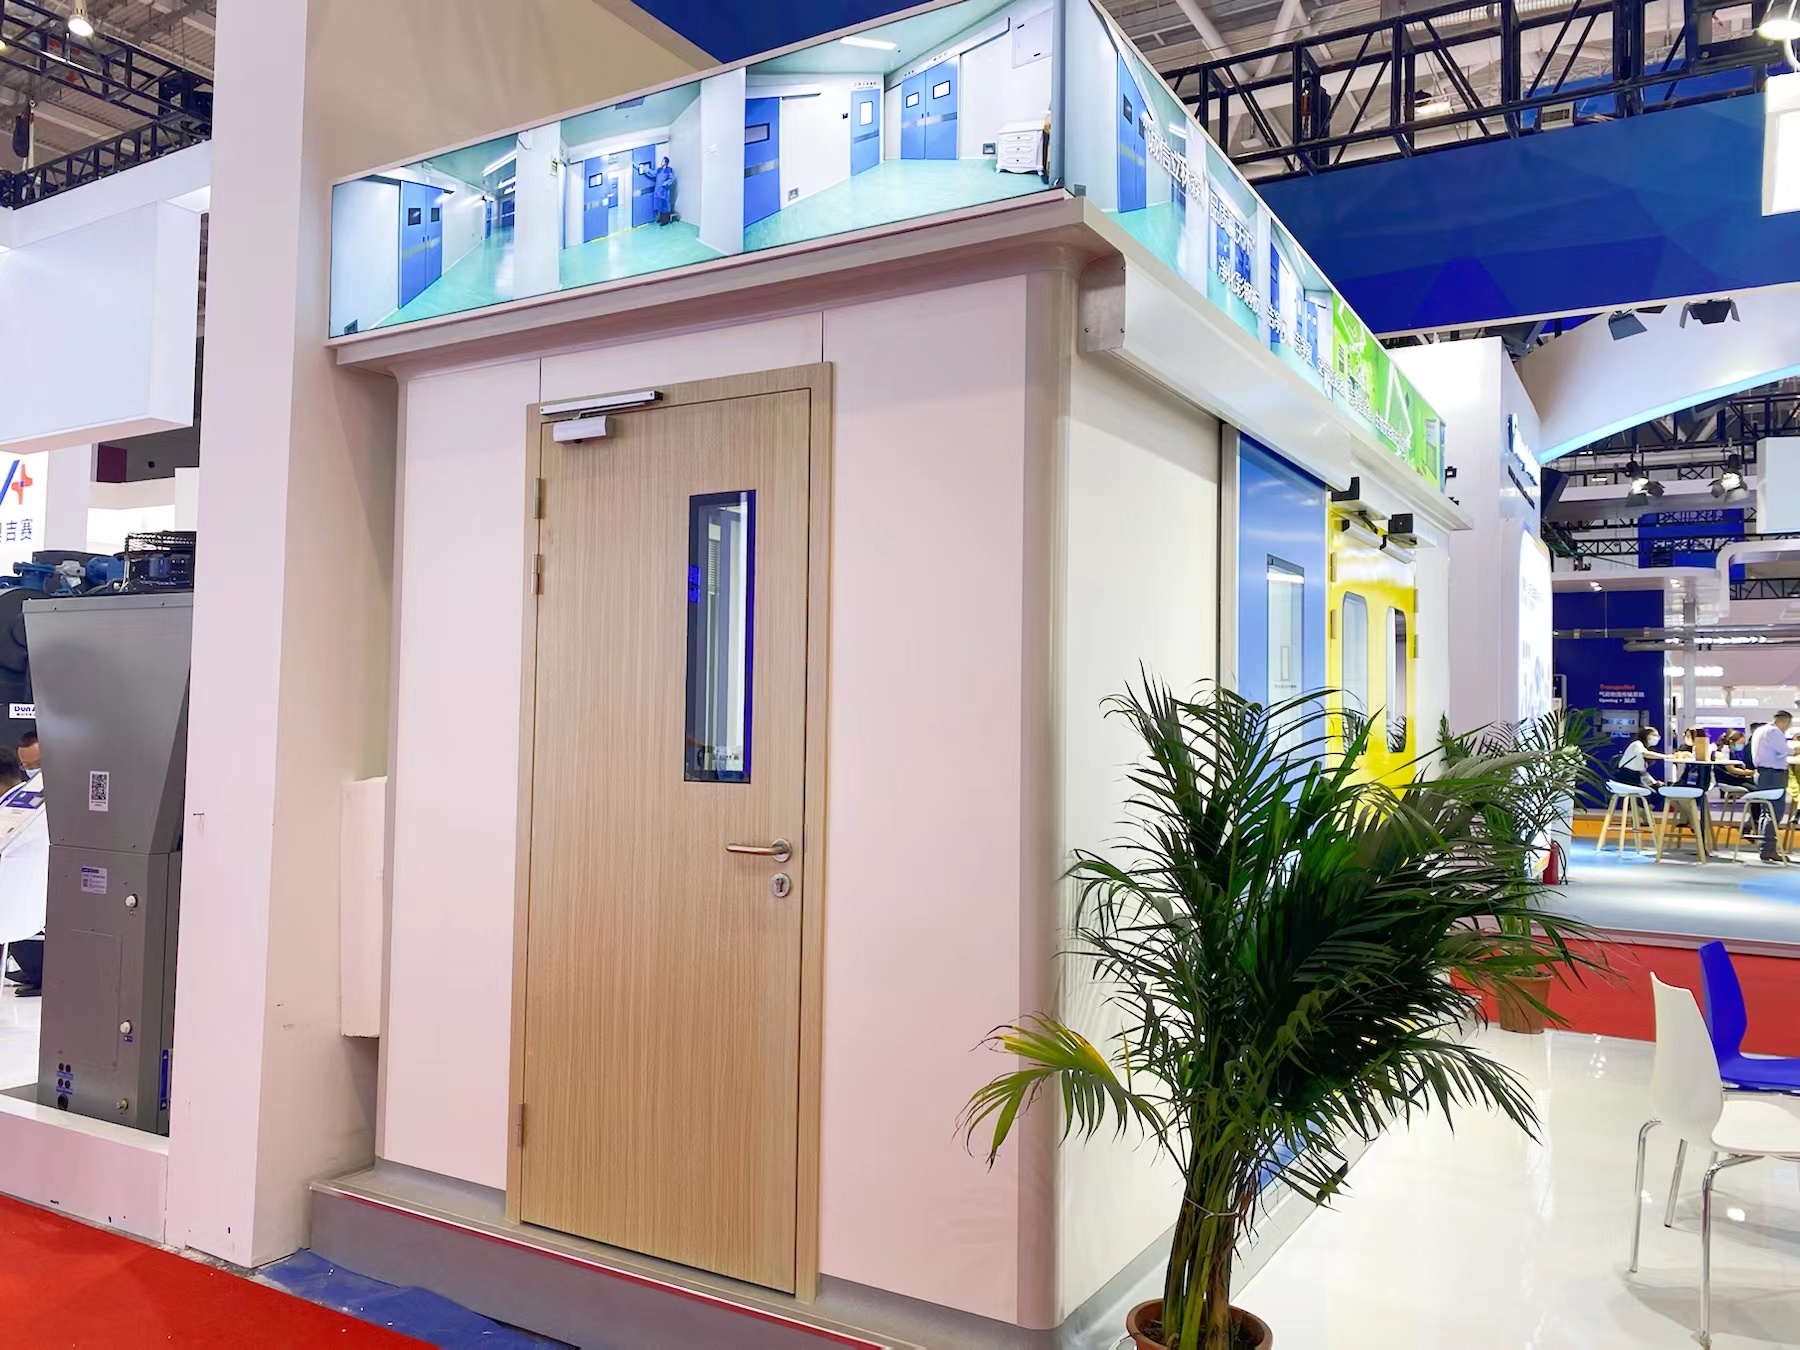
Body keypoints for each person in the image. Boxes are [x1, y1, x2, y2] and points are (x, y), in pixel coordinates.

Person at [1748, 711, 1797, 862]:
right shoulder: (1774, 732)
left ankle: (1765, 849)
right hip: (1773, 775)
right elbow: (1784, 751)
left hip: (1763, 774)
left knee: (1766, 812)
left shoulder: (1761, 730)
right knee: (1774, 812)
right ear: (1785, 722)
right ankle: (1769, 850)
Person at [652, 156, 675, 226]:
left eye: (662, 161)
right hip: (658, 190)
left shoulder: (669, 170)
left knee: (665, 205)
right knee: (660, 204)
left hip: (664, 191)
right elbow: (652, 173)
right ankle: (661, 218)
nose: (661, 162)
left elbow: (672, 179)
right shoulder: (659, 170)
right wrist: (646, 170)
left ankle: (666, 220)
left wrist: (665, 184)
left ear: (666, 163)